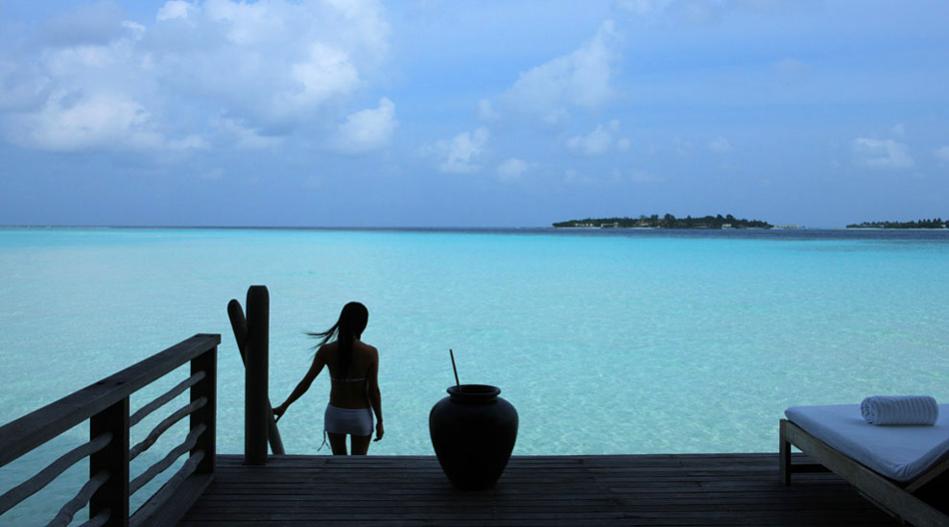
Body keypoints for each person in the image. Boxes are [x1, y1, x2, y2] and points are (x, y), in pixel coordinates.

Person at [273, 302, 383, 455]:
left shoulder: (326, 350)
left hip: (336, 414)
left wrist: (285, 405)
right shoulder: (370, 352)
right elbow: (373, 391)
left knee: (338, 462)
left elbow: (306, 382)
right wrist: (380, 421)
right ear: (363, 324)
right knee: (358, 464)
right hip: (360, 415)